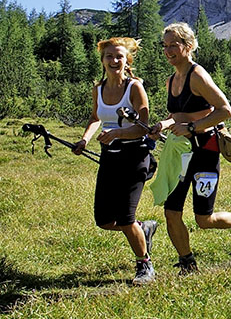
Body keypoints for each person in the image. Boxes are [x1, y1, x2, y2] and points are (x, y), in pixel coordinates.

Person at [149, 22, 231, 275]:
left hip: (206, 150)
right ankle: (187, 263)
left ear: (188, 47)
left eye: (173, 45)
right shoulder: (171, 80)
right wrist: (163, 124)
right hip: (180, 153)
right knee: (171, 211)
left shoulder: (197, 75)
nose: (168, 51)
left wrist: (192, 127)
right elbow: (177, 114)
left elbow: (225, 110)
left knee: (204, 219)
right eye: (164, 46)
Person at [73, 37, 158, 286]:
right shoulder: (98, 89)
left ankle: (145, 265)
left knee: (124, 217)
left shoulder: (134, 88)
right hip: (109, 156)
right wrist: (85, 140)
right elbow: (95, 117)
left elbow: (143, 127)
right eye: (109, 56)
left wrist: (117, 133)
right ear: (102, 60)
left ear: (127, 60)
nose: (114, 60)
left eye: (119, 56)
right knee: (104, 220)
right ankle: (144, 229)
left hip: (135, 156)